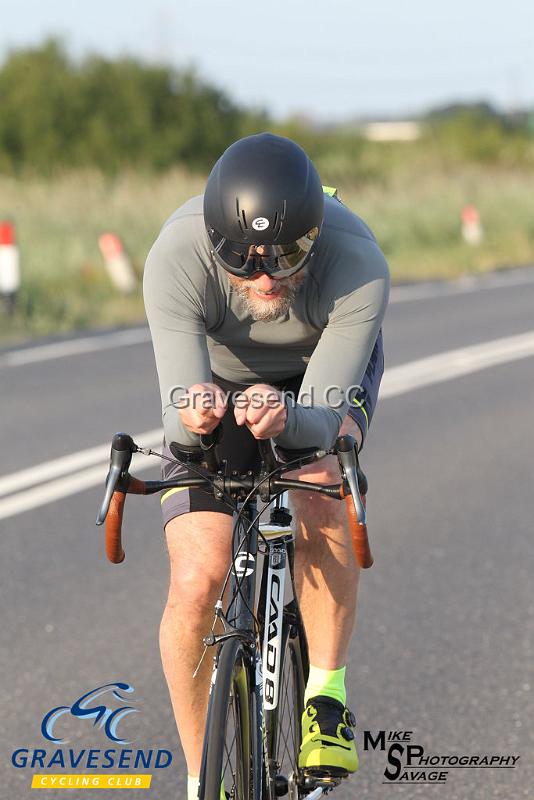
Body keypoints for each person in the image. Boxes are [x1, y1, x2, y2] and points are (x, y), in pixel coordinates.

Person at [143, 132, 389, 799]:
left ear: (314, 234)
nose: (264, 279)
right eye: (243, 263)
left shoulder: (357, 262)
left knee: (315, 482)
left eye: (285, 258)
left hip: (318, 381)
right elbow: (176, 423)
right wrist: (194, 414)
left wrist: (288, 417)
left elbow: (318, 418)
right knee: (198, 580)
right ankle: (204, 780)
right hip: (219, 382)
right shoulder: (175, 254)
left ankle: (326, 695)